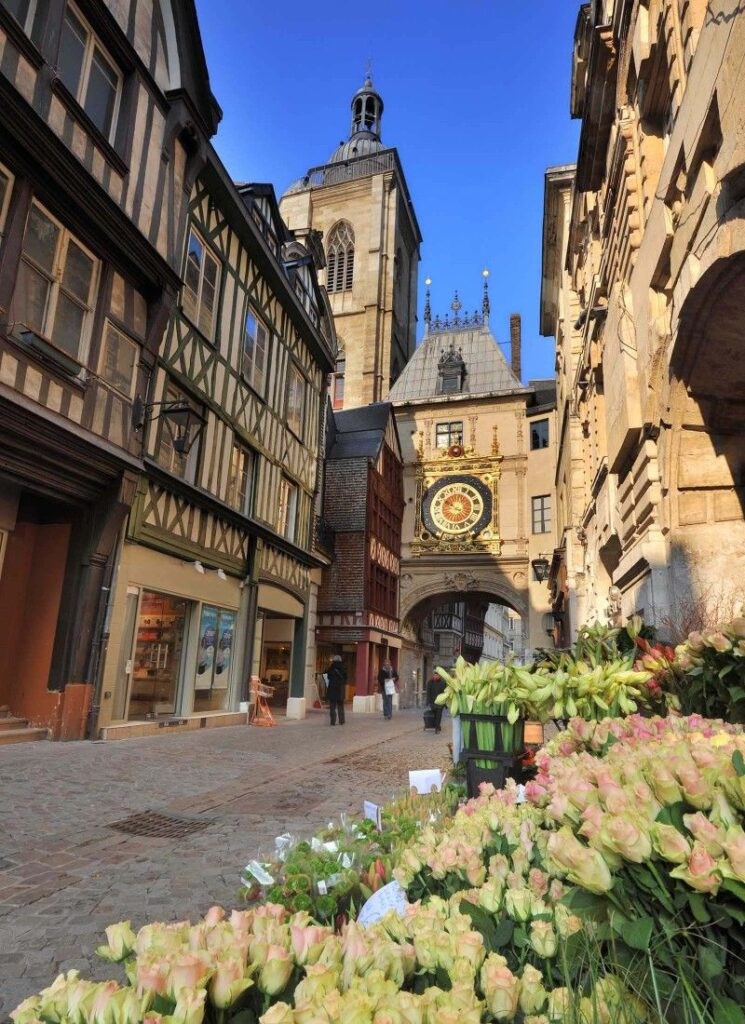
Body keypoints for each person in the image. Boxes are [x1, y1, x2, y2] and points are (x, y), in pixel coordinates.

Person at [325, 654, 347, 726]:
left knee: (332, 706)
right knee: (340, 706)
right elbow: (346, 678)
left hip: (332, 689)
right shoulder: (343, 668)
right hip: (340, 689)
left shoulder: (331, 668)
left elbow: (328, 677)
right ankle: (341, 721)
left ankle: (332, 721)